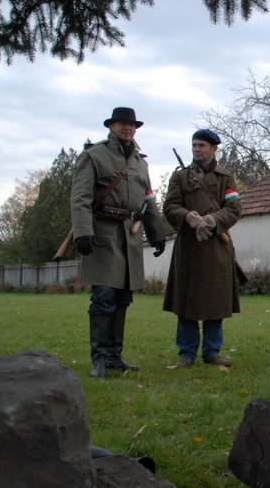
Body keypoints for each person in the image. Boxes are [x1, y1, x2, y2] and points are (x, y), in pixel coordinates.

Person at [71, 107, 166, 378]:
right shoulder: (93, 156)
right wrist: (82, 231)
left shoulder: (140, 163)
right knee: (103, 297)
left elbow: (148, 201)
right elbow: (80, 197)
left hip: (130, 237)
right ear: (111, 126)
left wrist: (157, 233)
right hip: (102, 234)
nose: (128, 128)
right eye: (122, 123)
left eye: (132, 125)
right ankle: (99, 360)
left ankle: (114, 357)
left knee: (123, 299)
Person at [162, 129, 242, 368]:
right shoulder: (180, 177)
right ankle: (186, 353)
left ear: (214, 149)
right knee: (185, 301)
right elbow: (170, 206)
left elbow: (234, 208)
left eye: (202, 145)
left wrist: (211, 220)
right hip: (188, 247)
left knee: (215, 300)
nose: (196, 149)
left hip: (216, 247)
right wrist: (188, 217)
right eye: (194, 145)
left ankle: (212, 352)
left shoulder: (226, 177)